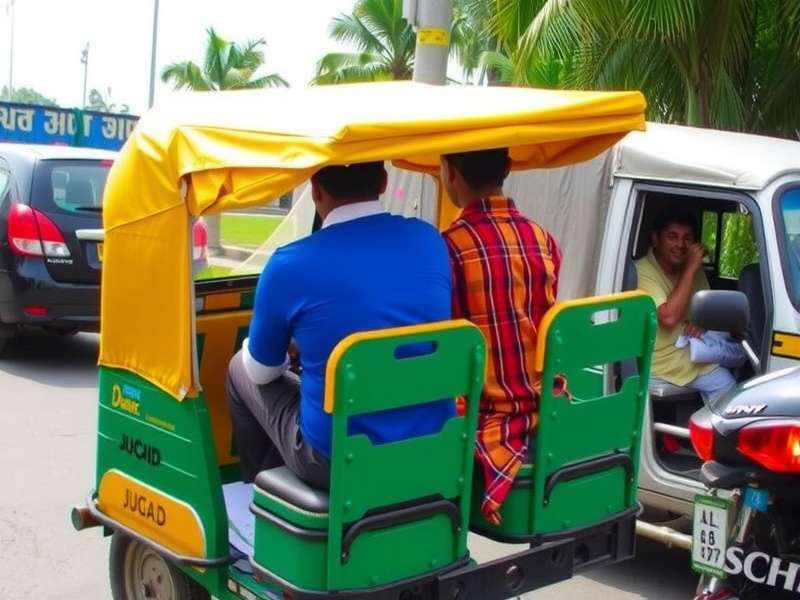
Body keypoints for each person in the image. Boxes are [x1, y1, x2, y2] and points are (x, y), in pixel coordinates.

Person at [227, 161, 453, 488]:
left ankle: (260, 497)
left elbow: (261, 371)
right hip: (430, 441)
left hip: (335, 460)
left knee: (240, 367)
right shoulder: (429, 241)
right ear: (384, 182)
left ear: (316, 190)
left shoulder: (288, 264)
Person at [440, 148, 562, 525]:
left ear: (449, 173)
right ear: (508, 168)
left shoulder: (448, 247)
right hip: (546, 403)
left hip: (486, 413)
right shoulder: (544, 240)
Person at [635, 209, 736, 401]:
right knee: (725, 385)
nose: (680, 244)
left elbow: (708, 308)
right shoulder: (642, 271)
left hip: (691, 349)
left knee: (745, 363)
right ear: (655, 239)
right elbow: (669, 317)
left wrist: (701, 322)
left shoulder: (692, 267)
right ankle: (708, 431)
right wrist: (690, 268)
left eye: (687, 238)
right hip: (661, 360)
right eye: (672, 237)